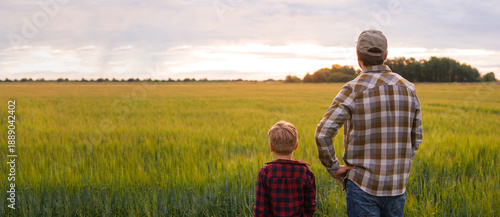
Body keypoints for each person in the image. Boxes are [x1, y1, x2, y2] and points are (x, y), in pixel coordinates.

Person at [315, 29, 423, 217]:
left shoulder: (353, 89)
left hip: (362, 186)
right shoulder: (409, 88)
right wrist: (399, 165)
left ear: (358, 56)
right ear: (386, 55)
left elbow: (323, 133)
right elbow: (416, 139)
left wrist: (333, 168)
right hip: (397, 187)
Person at [254, 121, 316, 217]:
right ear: (296, 145)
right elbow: (310, 206)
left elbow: (260, 210)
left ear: (271, 147)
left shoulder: (265, 173)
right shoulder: (306, 173)